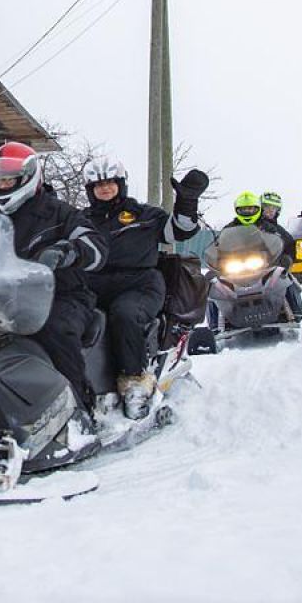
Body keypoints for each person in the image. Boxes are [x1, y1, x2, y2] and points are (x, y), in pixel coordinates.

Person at [0, 141, 108, 412]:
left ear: (27, 178)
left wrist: (69, 251)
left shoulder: (60, 214)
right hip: (3, 300)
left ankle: (79, 408)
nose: (3, 186)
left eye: (9, 180)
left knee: (55, 330)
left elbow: (96, 245)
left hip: (62, 296)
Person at [80, 157, 208, 420]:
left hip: (139, 283)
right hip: (91, 285)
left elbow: (180, 231)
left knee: (125, 313)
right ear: (90, 189)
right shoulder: (80, 220)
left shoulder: (145, 215)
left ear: (121, 184)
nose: (104, 189)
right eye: (98, 184)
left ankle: (135, 383)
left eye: (110, 183)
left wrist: (187, 202)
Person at [223, 191, 302, 321]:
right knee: (216, 284)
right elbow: (220, 243)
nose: (248, 211)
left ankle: (295, 310)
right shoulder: (230, 227)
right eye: (244, 209)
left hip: (265, 264)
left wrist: (284, 254)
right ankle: (217, 322)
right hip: (237, 264)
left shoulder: (270, 227)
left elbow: (286, 242)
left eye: (251, 208)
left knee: (283, 275)